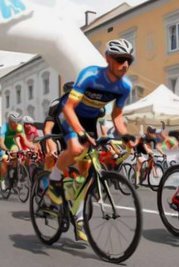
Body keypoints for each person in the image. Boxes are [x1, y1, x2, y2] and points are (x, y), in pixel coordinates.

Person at [47, 38, 136, 242]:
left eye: (129, 60)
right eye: (120, 59)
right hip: (70, 115)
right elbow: (68, 108)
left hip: (90, 120)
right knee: (76, 149)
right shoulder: (90, 75)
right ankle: (53, 180)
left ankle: (78, 216)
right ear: (108, 58)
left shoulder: (125, 86)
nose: (125, 65)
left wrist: (127, 136)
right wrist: (79, 131)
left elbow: (117, 116)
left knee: (86, 170)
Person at [43, 81, 74, 170]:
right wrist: (52, 147)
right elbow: (47, 129)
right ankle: (45, 179)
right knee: (51, 154)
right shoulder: (57, 105)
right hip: (55, 136)